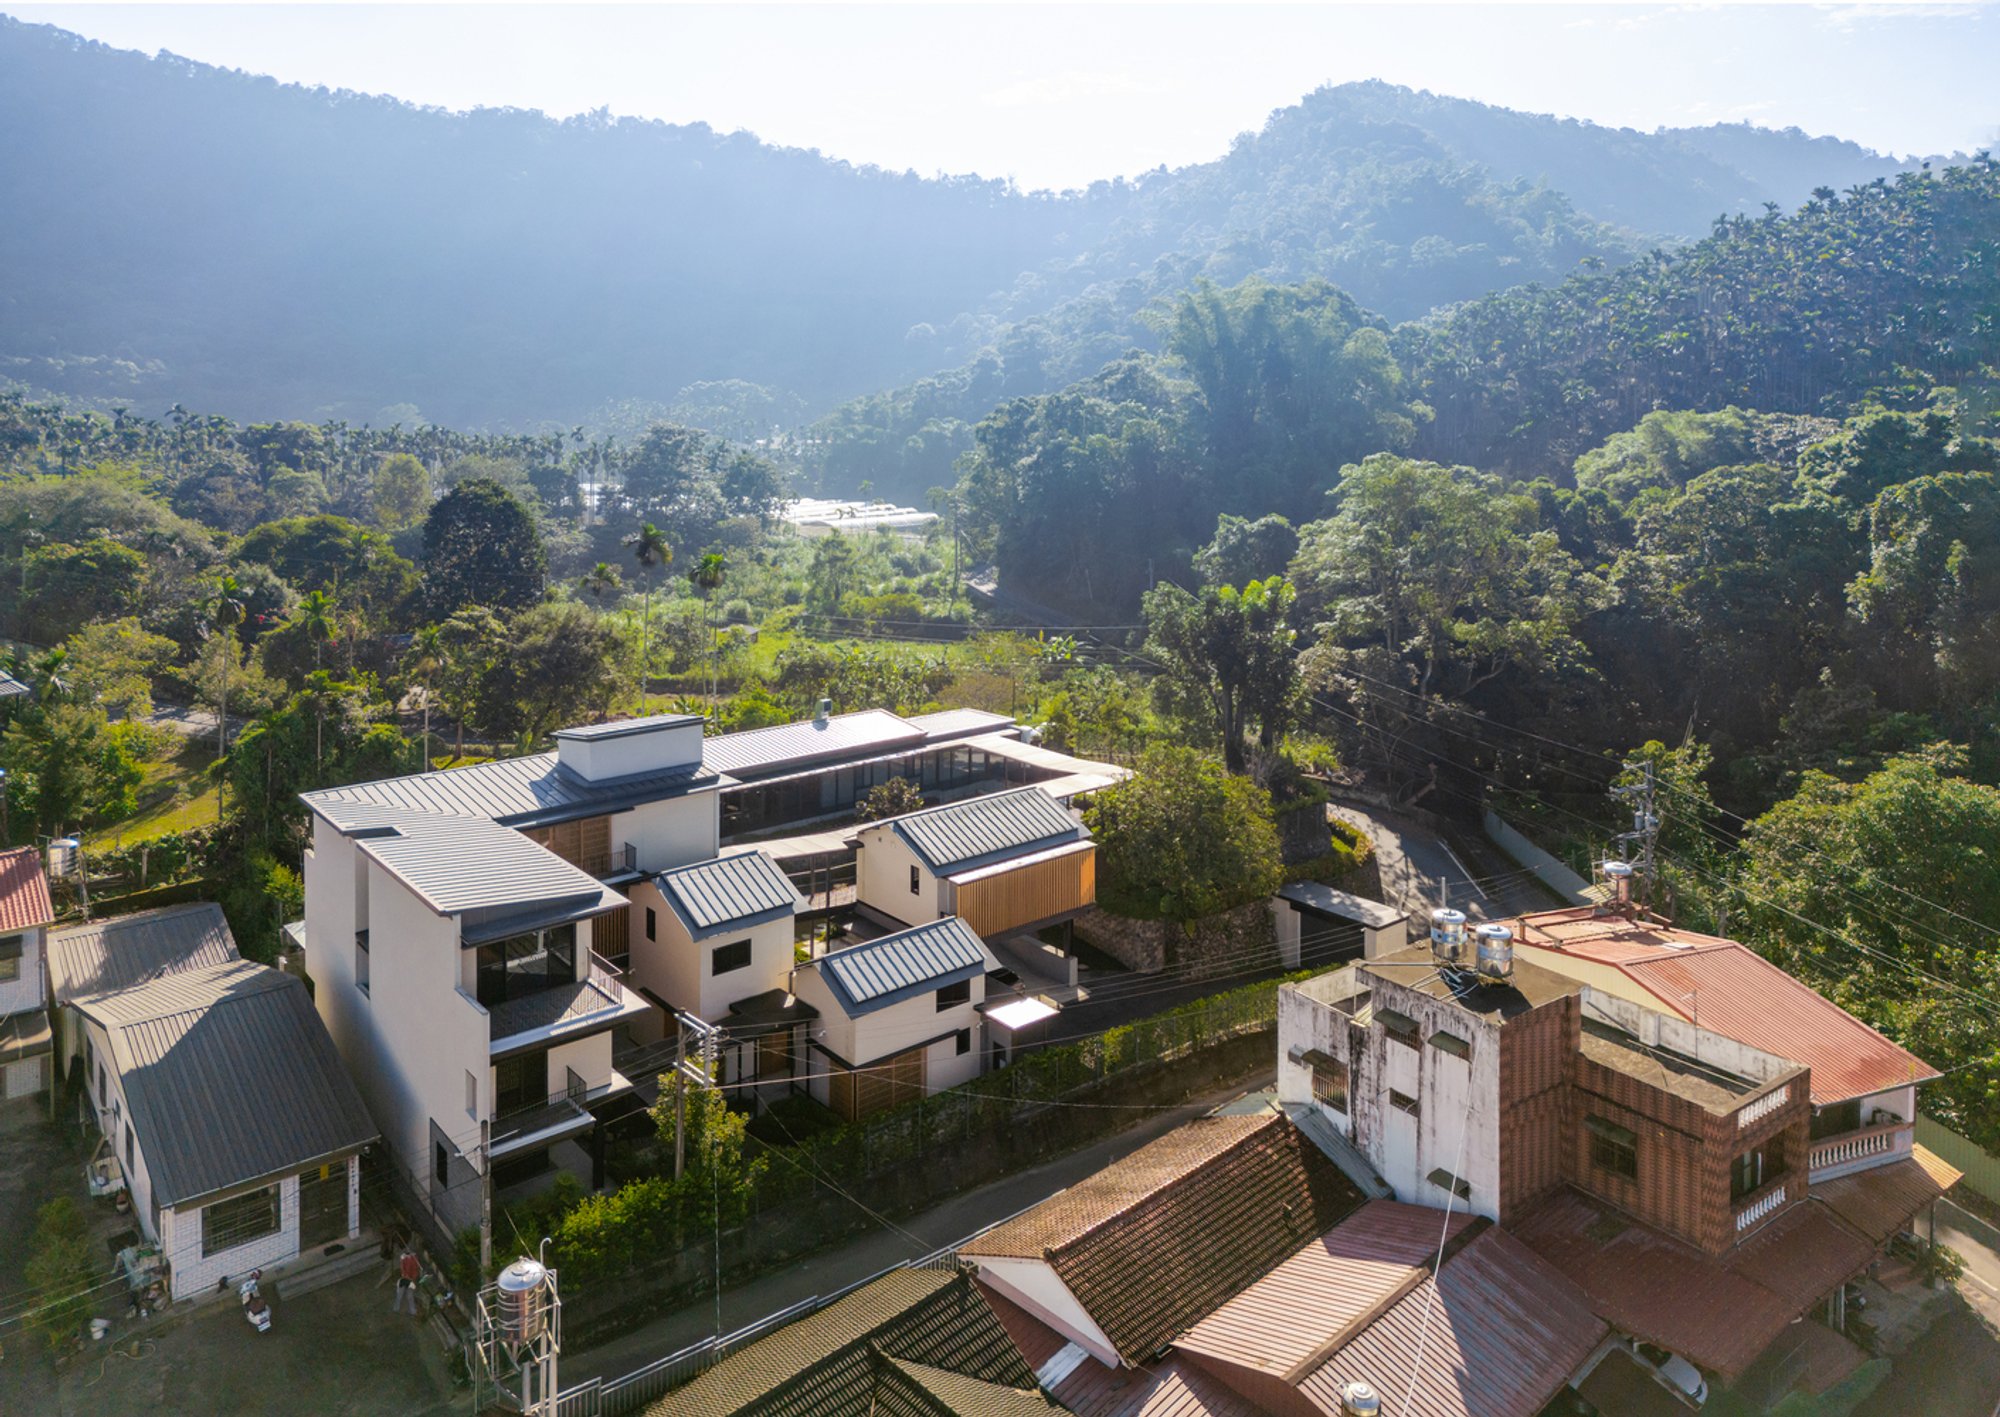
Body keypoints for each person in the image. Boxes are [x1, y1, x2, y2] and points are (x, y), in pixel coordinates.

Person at [394, 1246, 421, 1315]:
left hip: (411, 1279)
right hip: (405, 1279)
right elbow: (402, 1269)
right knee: (400, 1294)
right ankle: (396, 1307)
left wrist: (413, 1278)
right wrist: (407, 1277)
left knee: (410, 1296)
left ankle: (412, 1310)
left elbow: (416, 1268)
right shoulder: (403, 1258)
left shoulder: (414, 1257)